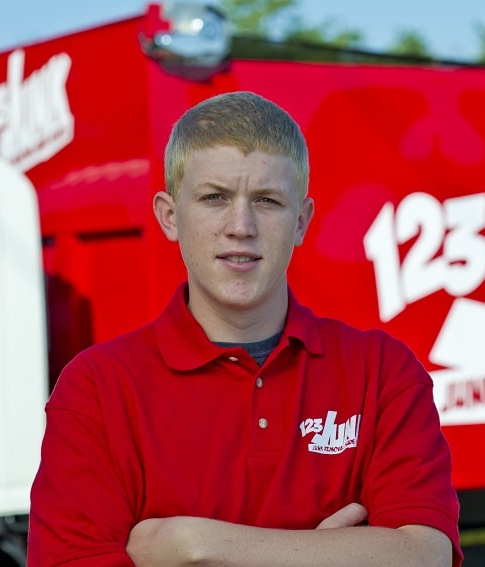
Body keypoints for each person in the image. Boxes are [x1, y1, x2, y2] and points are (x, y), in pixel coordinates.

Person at [28, 91, 462, 566]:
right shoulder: (97, 389)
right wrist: (329, 553)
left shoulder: (382, 372)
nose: (241, 225)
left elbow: (425, 556)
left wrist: (193, 547)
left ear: (301, 221)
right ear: (170, 217)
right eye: (215, 198)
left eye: (267, 200)